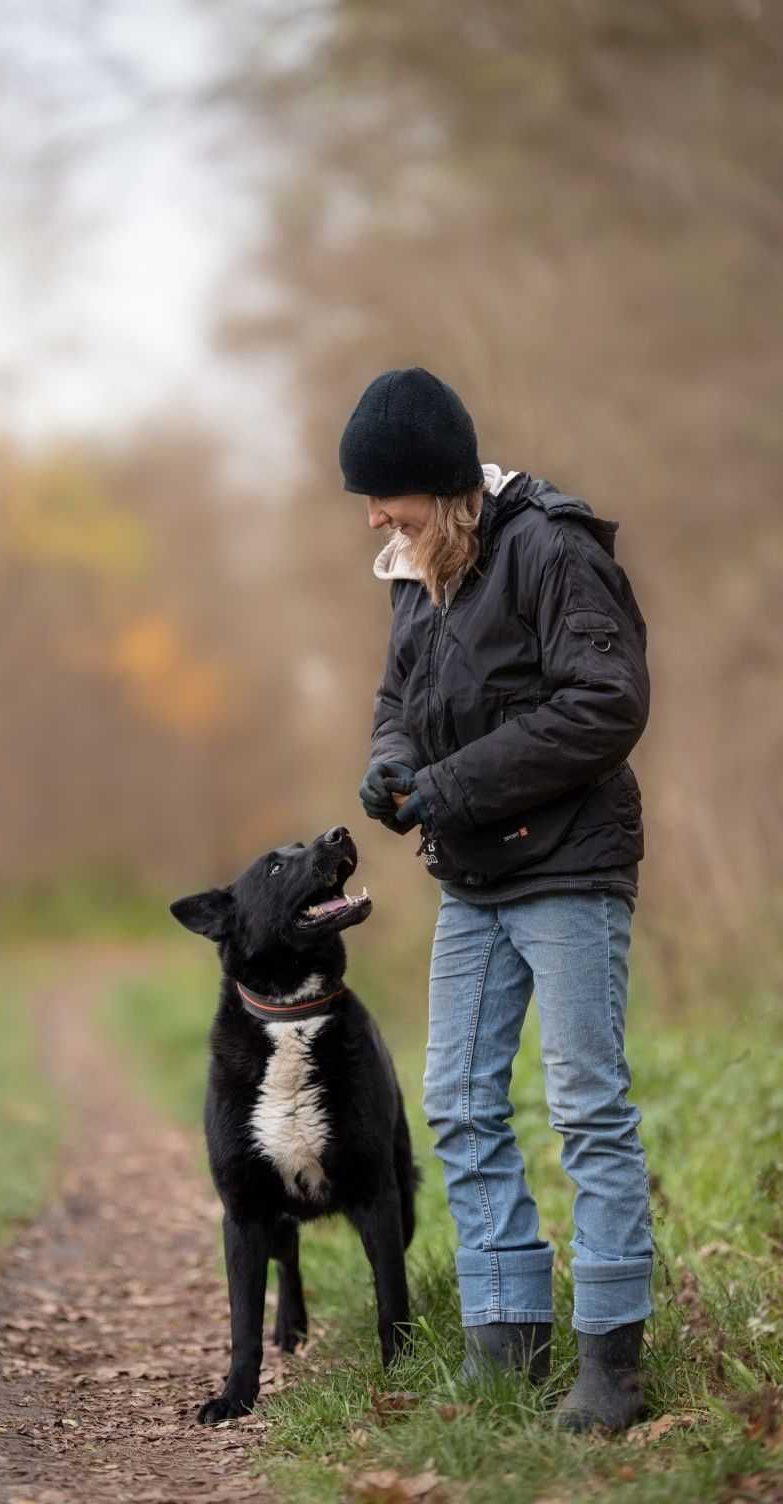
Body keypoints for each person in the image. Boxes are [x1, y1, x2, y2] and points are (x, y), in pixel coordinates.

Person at [340, 367, 653, 1433]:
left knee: (584, 1108)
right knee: (459, 1106)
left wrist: (448, 786)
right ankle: (503, 1338)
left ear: (440, 482)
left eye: (387, 495)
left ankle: (609, 1363)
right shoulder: (411, 569)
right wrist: (389, 770)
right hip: (471, 878)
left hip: (566, 868)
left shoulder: (548, 548)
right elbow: (397, 700)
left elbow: (604, 702)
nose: (374, 516)